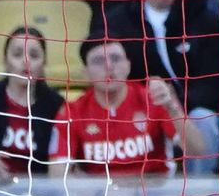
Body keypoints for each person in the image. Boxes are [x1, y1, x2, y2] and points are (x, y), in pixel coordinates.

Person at [93, 0, 219, 174]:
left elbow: (213, 85)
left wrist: (172, 102)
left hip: (188, 109)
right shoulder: (117, 21)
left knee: (203, 118)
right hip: (139, 109)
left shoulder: (206, 20)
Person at [50, 37, 207, 176]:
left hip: (153, 195)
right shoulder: (73, 110)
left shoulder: (152, 98)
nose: (109, 66)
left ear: (128, 66)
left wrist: (172, 107)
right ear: (85, 73)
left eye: (116, 58)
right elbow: (57, 174)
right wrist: (102, 193)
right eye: (99, 61)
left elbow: (197, 150)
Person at [0, 26, 65, 178]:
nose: (26, 61)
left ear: (44, 63)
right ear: (5, 61)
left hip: (37, 195)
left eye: (34, 56)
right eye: (17, 55)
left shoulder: (55, 105)